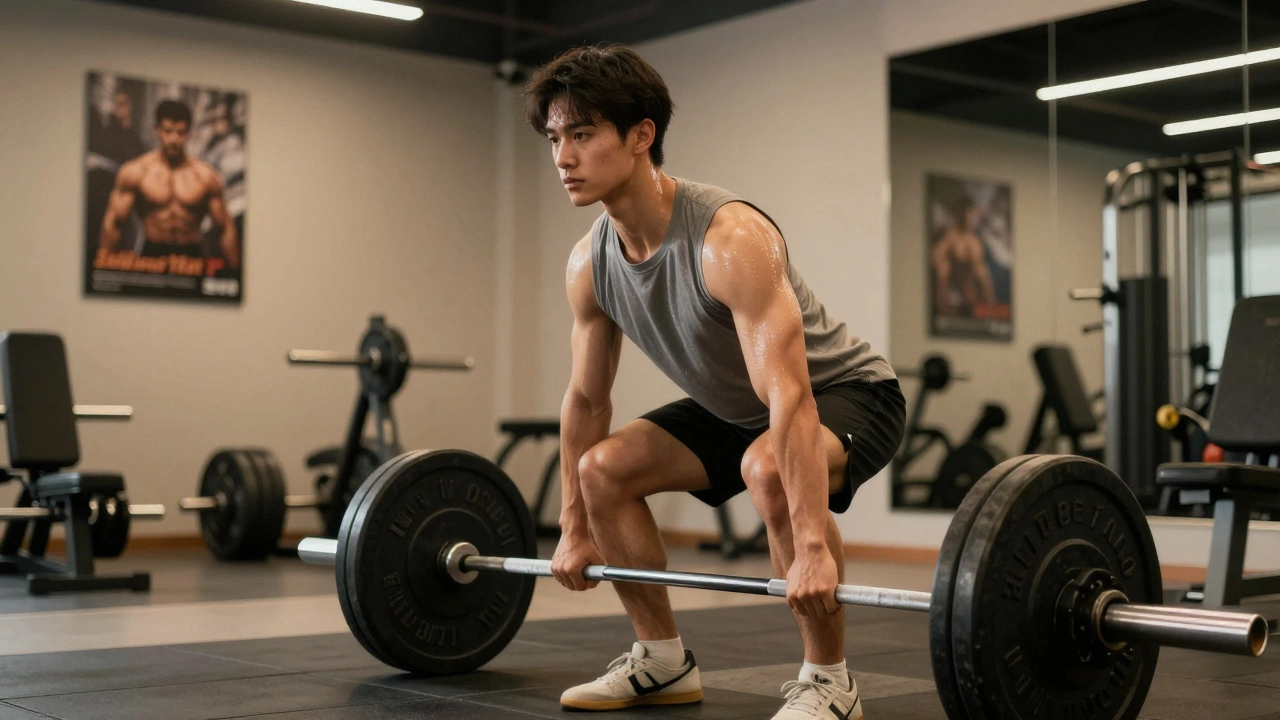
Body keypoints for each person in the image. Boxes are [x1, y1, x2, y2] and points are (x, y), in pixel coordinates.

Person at [523, 44, 906, 720]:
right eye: (556, 137)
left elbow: (789, 392)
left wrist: (812, 546)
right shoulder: (590, 263)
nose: (563, 157)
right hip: (735, 409)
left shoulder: (729, 238)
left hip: (847, 392)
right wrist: (572, 527)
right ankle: (662, 661)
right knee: (602, 468)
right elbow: (587, 398)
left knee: (768, 468)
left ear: (642, 136)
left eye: (582, 134)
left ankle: (829, 679)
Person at [99, 99, 240, 269]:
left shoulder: (206, 176)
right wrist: (104, 271)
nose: (174, 139)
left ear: (189, 133)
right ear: (156, 130)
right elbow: (113, 224)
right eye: (168, 131)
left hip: (192, 258)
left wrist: (235, 273)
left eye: (181, 133)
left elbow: (224, 229)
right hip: (151, 255)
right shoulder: (136, 172)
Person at [930, 196, 995, 318]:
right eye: (969, 213)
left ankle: (988, 310)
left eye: (973, 214)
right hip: (950, 283)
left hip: (966, 287)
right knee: (943, 266)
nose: (971, 218)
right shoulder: (950, 236)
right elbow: (936, 256)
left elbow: (981, 271)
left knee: (982, 271)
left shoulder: (974, 241)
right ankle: (944, 305)